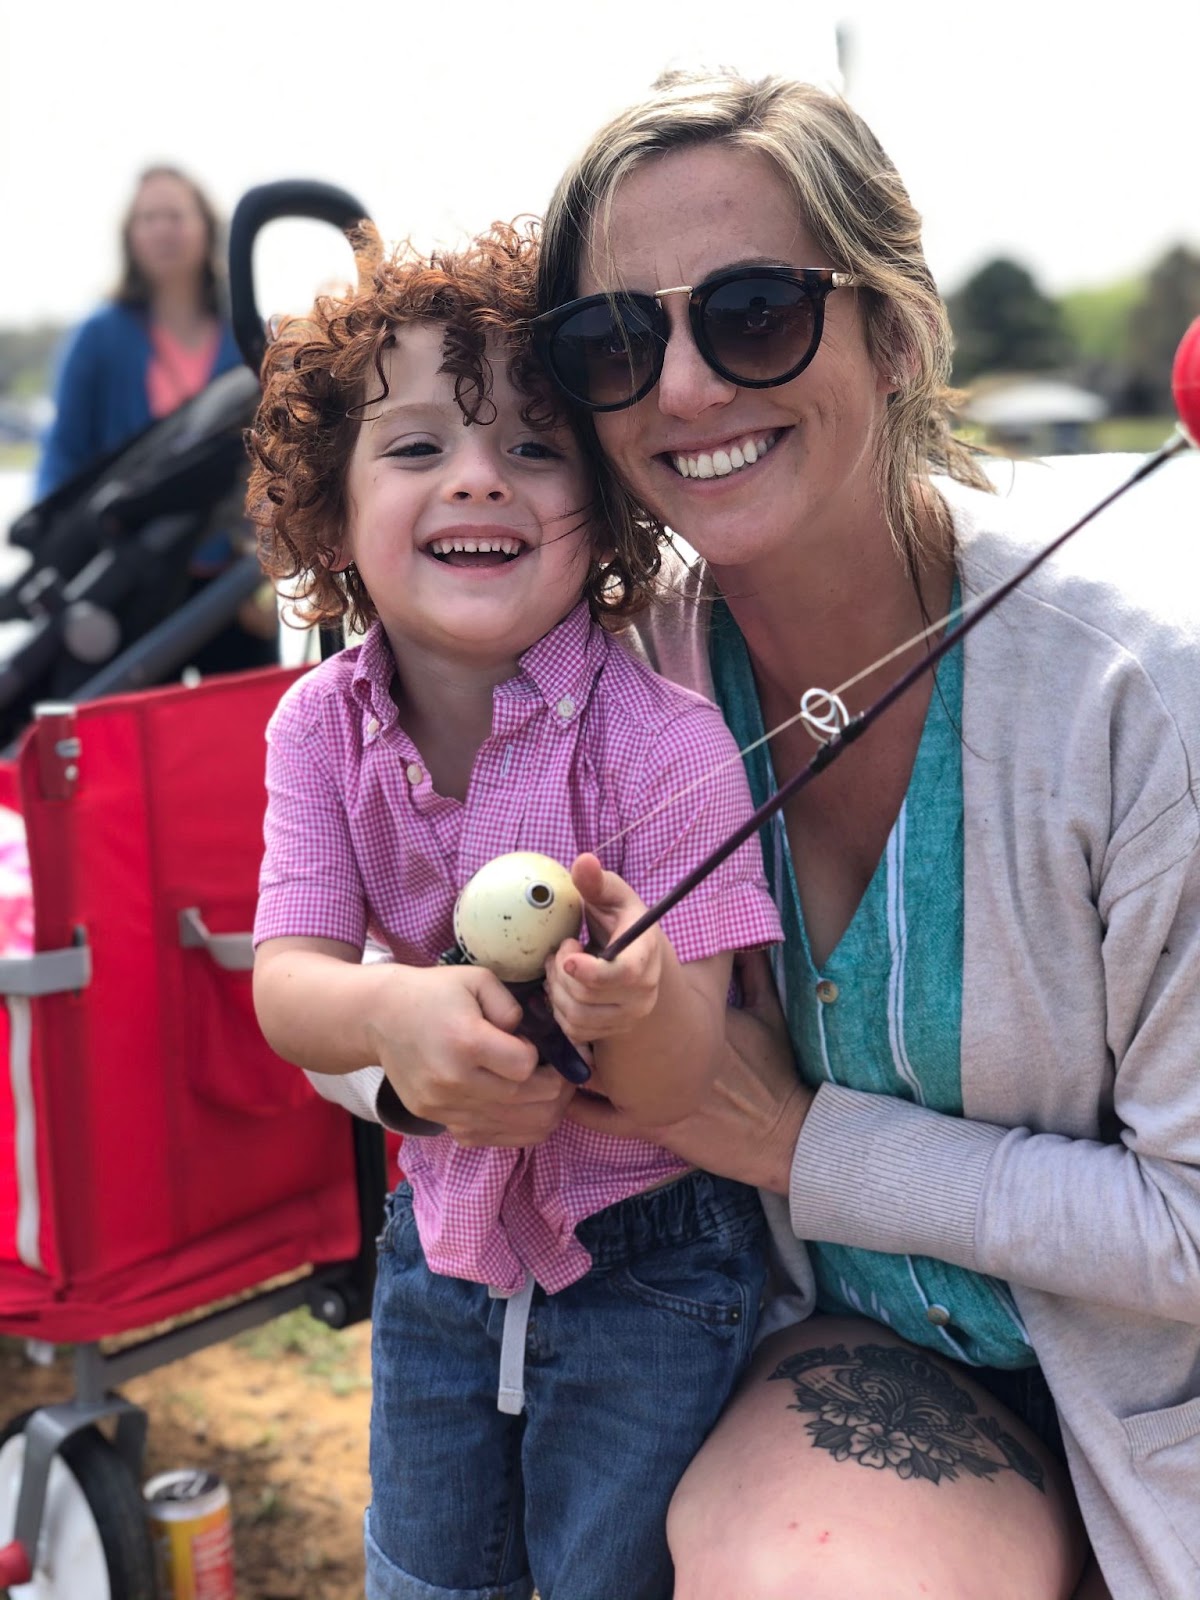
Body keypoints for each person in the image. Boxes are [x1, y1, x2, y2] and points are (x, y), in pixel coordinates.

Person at [315, 71, 1198, 1599]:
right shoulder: (593, 675)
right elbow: (340, 944)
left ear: (898, 331)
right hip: (843, 1365)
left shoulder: (1141, 704)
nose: (682, 390)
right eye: (611, 341)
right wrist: (416, 1063)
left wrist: (799, 1144)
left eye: (756, 312)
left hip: (1157, 1397)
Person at [246, 221, 783, 1600]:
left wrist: (637, 1000)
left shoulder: (667, 747)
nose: (477, 476)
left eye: (536, 448)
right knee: (424, 1578)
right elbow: (288, 981)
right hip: (436, 1250)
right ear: (332, 504)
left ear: (603, 507)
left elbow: (686, 1078)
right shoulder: (317, 726)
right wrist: (392, 1007)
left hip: (651, 1268)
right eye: (417, 446)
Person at [35, 164, 277, 671]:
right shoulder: (98, 339)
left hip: (231, 581)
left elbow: (279, 464)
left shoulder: (246, 334)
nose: (162, 229)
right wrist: (52, 561)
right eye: (148, 218)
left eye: (174, 215)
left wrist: (270, 583)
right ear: (130, 235)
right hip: (127, 581)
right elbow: (64, 457)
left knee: (242, 735)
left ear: (205, 228)